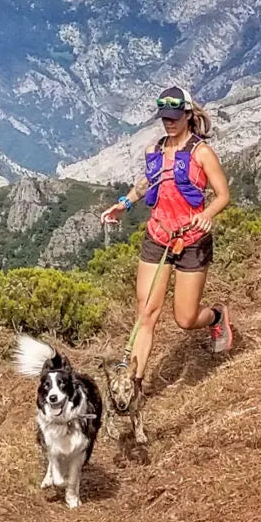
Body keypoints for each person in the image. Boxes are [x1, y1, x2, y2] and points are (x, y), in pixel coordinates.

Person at [100, 85, 233, 391]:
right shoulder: (155, 149)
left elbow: (223, 195)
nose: (168, 122)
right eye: (164, 117)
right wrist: (125, 204)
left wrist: (207, 213)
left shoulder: (202, 153)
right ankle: (133, 386)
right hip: (158, 237)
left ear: (188, 115)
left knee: (185, 320)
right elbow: (150, 181)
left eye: (174, 117)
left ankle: (215, 317)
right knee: (146, 312)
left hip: (192, 241)